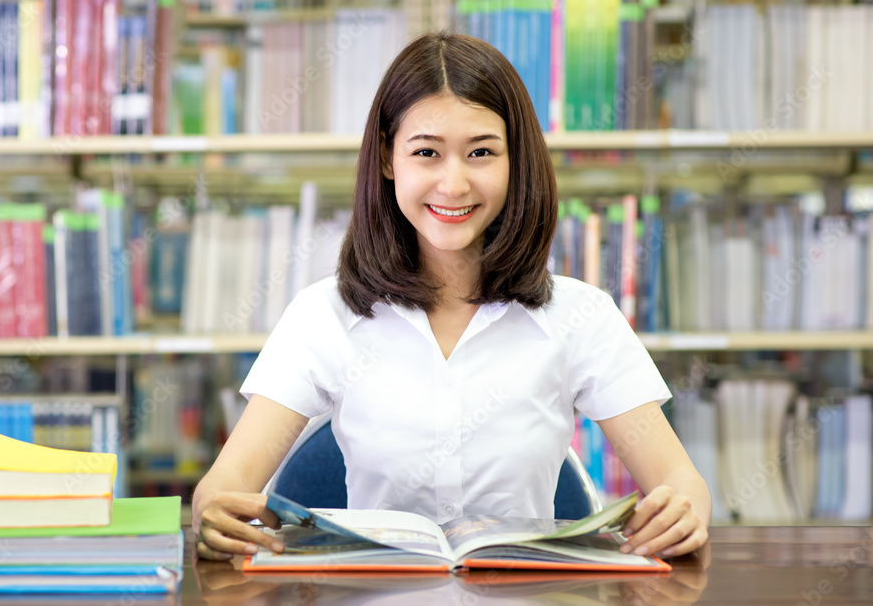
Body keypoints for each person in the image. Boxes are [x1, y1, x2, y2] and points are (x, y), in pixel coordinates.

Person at [193, 31, 710, 563]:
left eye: (481, 152)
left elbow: (681, 481)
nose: (454, 183)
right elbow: (224, 486)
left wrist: (685, 509)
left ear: (516, 161)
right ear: (390, 160)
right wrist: (214, 512)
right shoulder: (324, 315)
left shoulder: (580, 316)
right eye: (427, 153)